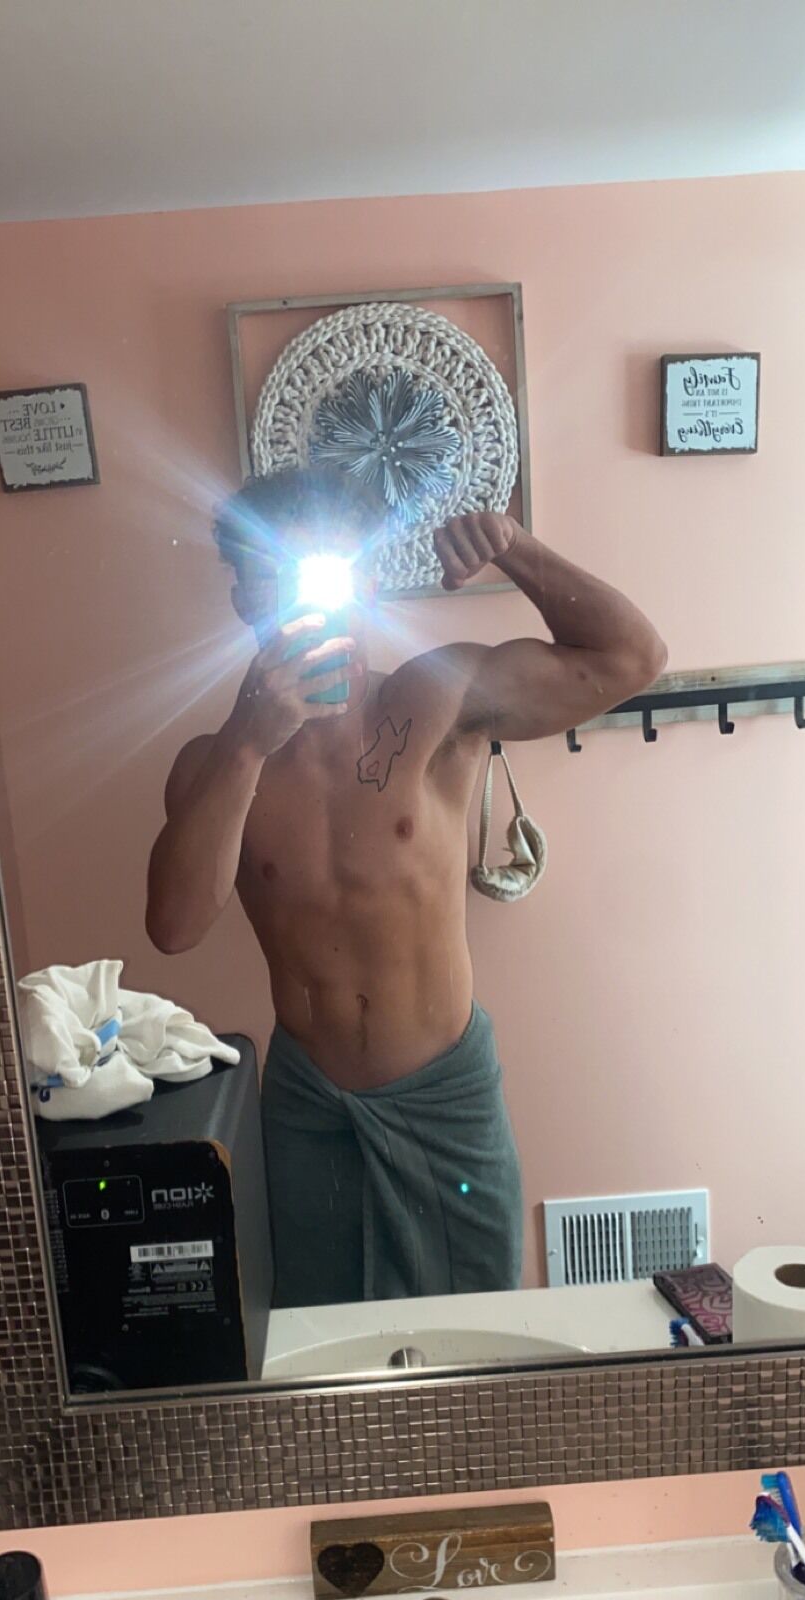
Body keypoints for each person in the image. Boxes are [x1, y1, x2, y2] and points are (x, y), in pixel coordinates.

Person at [147, 468, 666, 1307]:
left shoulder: (440, 699)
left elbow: (634, 659)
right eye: (271, 576)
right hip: (310, 1110)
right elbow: (173, 928)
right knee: (319, 1347)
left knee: (476, 1340)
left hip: (446, 1102)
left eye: (322, 570)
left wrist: (515, 548)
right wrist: (247, 741)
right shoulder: (211, 765)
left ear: (367, 582)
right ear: (242, 596)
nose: (300, 600)